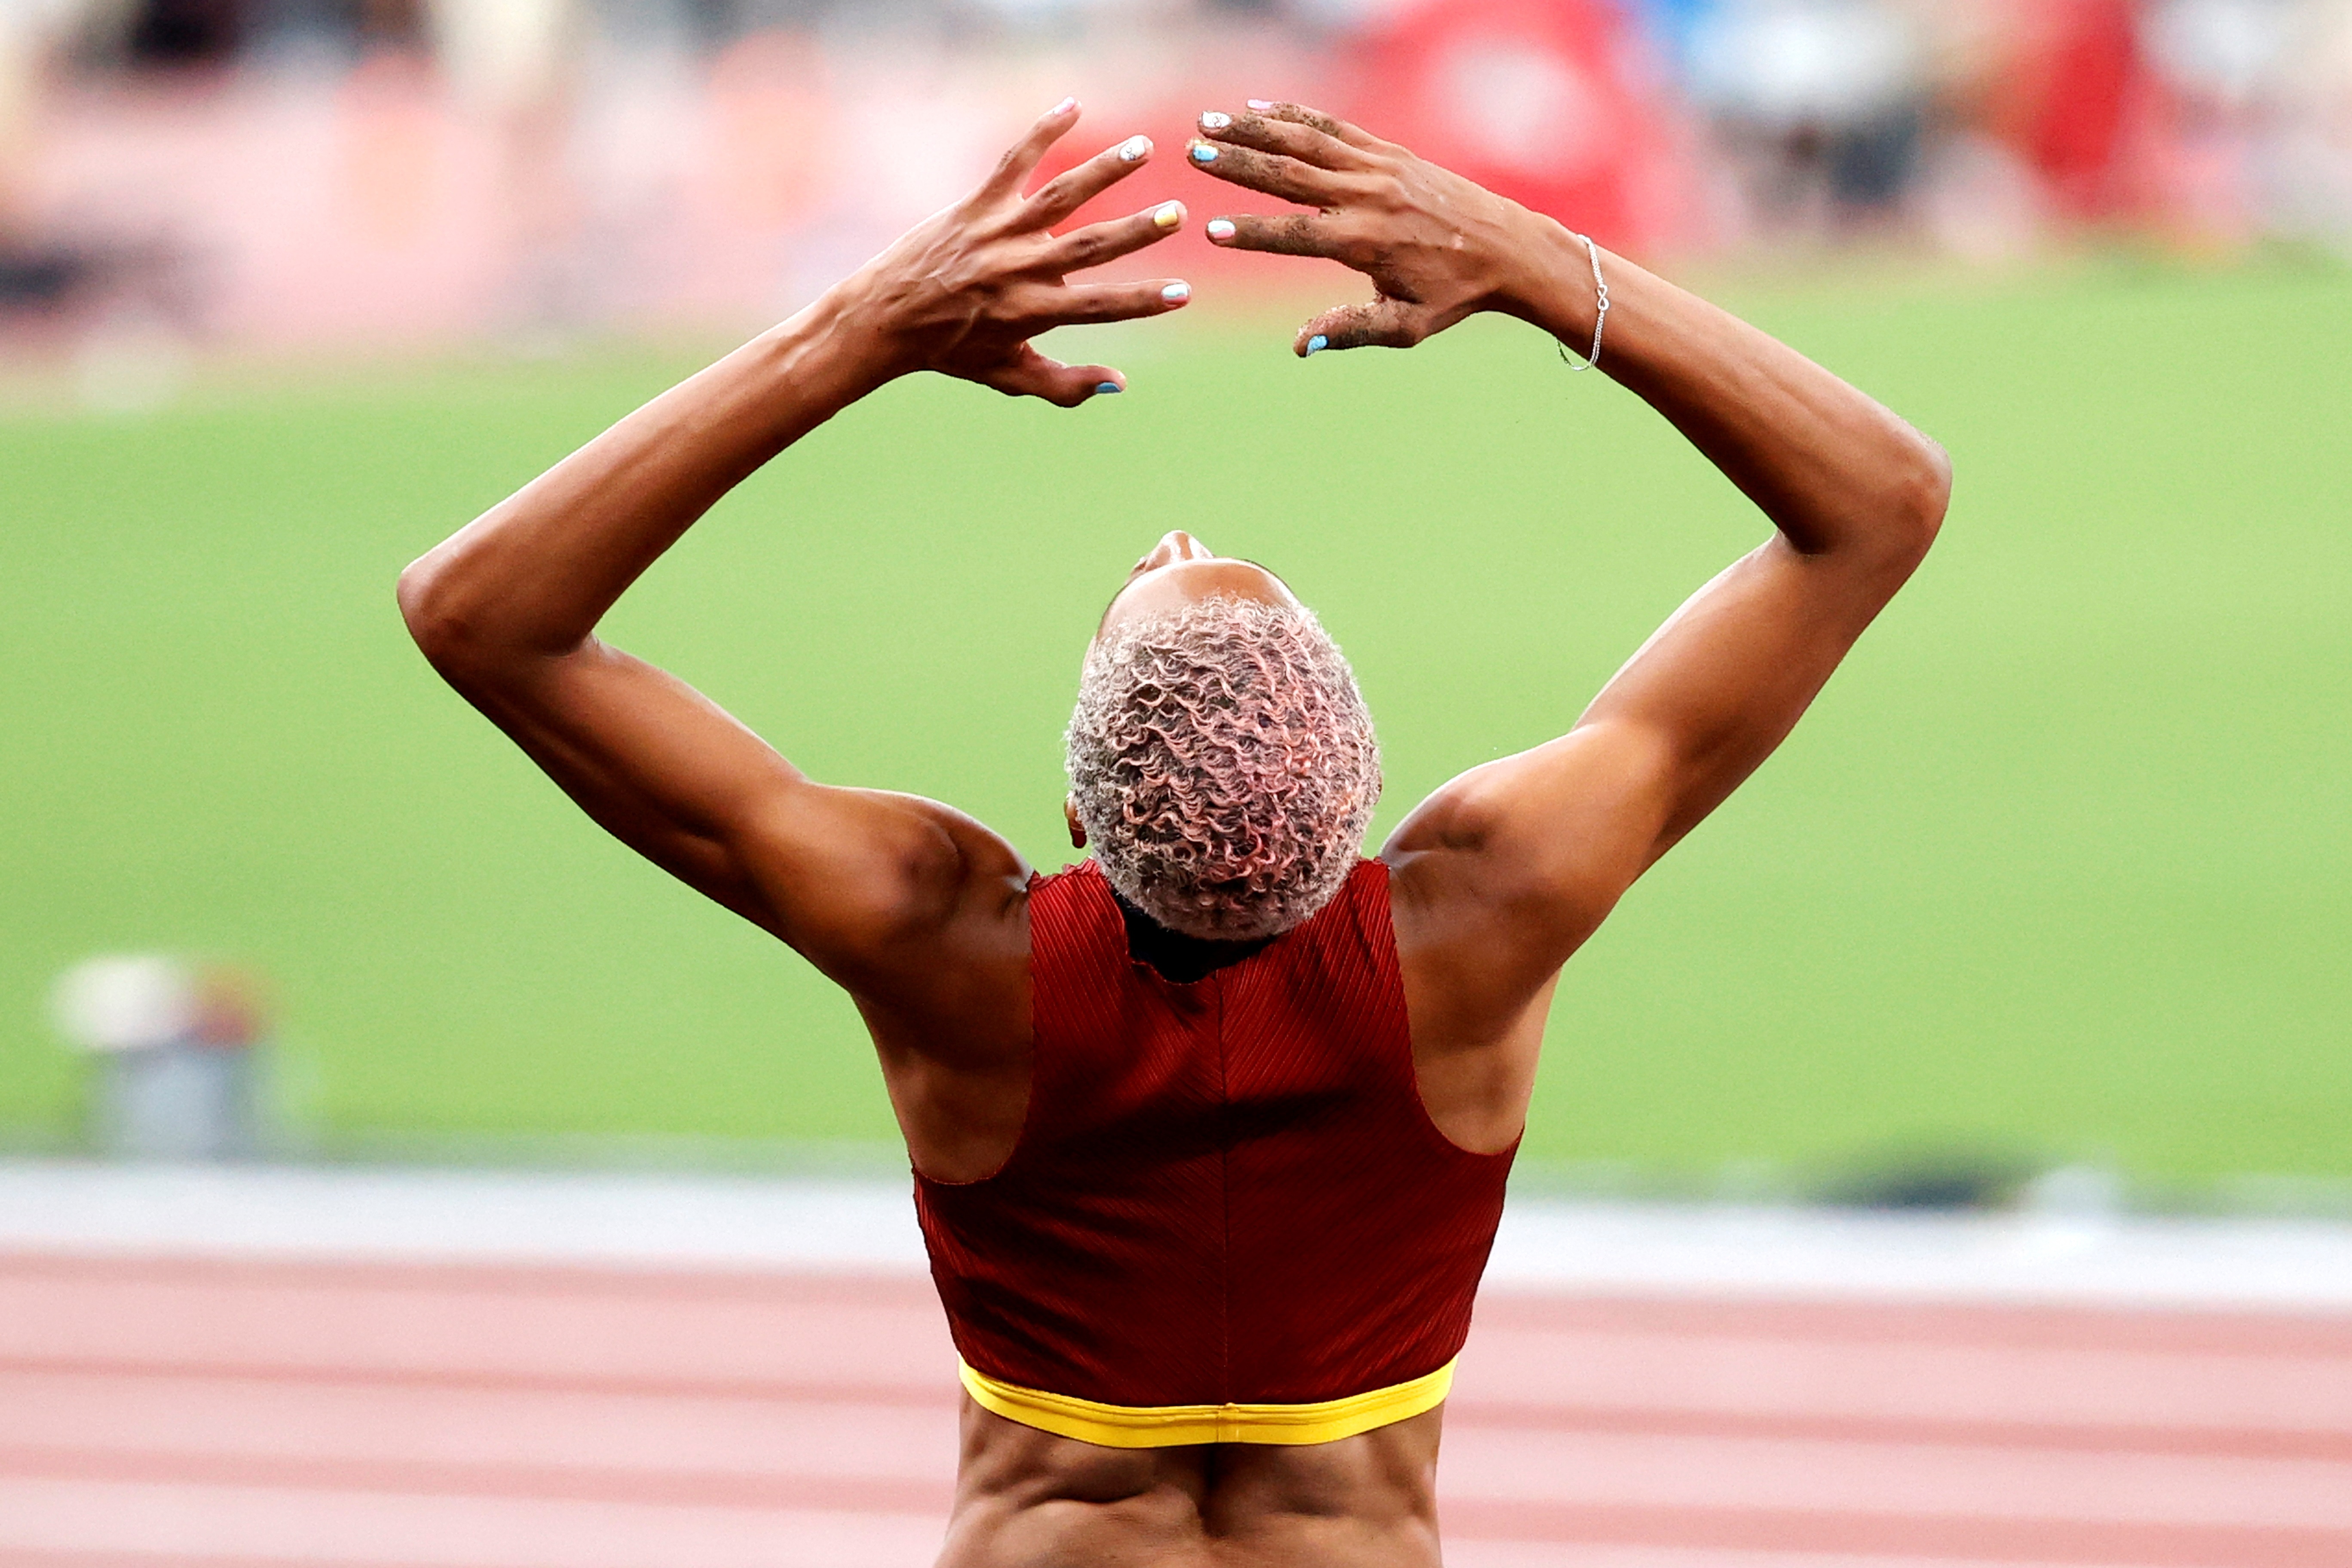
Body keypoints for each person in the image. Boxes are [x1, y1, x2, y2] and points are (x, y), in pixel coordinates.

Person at [399, 97, 1948, 1568]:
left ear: (1076, 814)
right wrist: (1532, 258)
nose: (1185, 540)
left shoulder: (942, 942)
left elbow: (480, 614)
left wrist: (854, 333)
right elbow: (1879, 499)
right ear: (1360, 802)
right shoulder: (1488, 910)